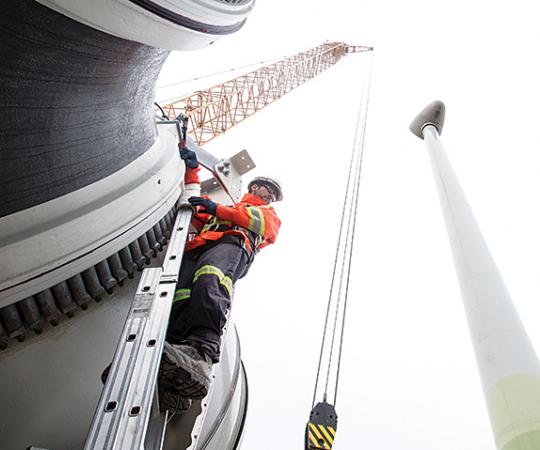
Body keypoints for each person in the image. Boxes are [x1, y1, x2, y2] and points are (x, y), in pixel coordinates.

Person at [158, 147, 282, 413]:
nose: (269, 195)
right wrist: (191, 167)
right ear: (256, 186)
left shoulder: (267, 215)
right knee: (181, 295)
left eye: (272, 194)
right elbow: (193, 198)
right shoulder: (227, 208)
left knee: (209, 281)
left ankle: (202, 354)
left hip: (233, 244)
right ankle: (176, 363)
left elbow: (251, 221)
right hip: (201, 247)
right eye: (267, 190)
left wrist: (216, 209)